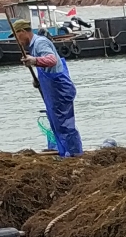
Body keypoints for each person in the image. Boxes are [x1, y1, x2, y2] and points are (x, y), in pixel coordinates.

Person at [13, 20, 82, 157]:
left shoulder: (40, 43)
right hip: (52, 90)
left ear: (24, 32)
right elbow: (49, 67)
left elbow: (52, 60)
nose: (17, 41)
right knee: (56, 124)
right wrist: (38, 80)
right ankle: (65, 152)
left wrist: (34, 61)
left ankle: (74, 154)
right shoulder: (33, 47)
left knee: (64, 125)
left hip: (60, 89)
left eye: (17, 36)